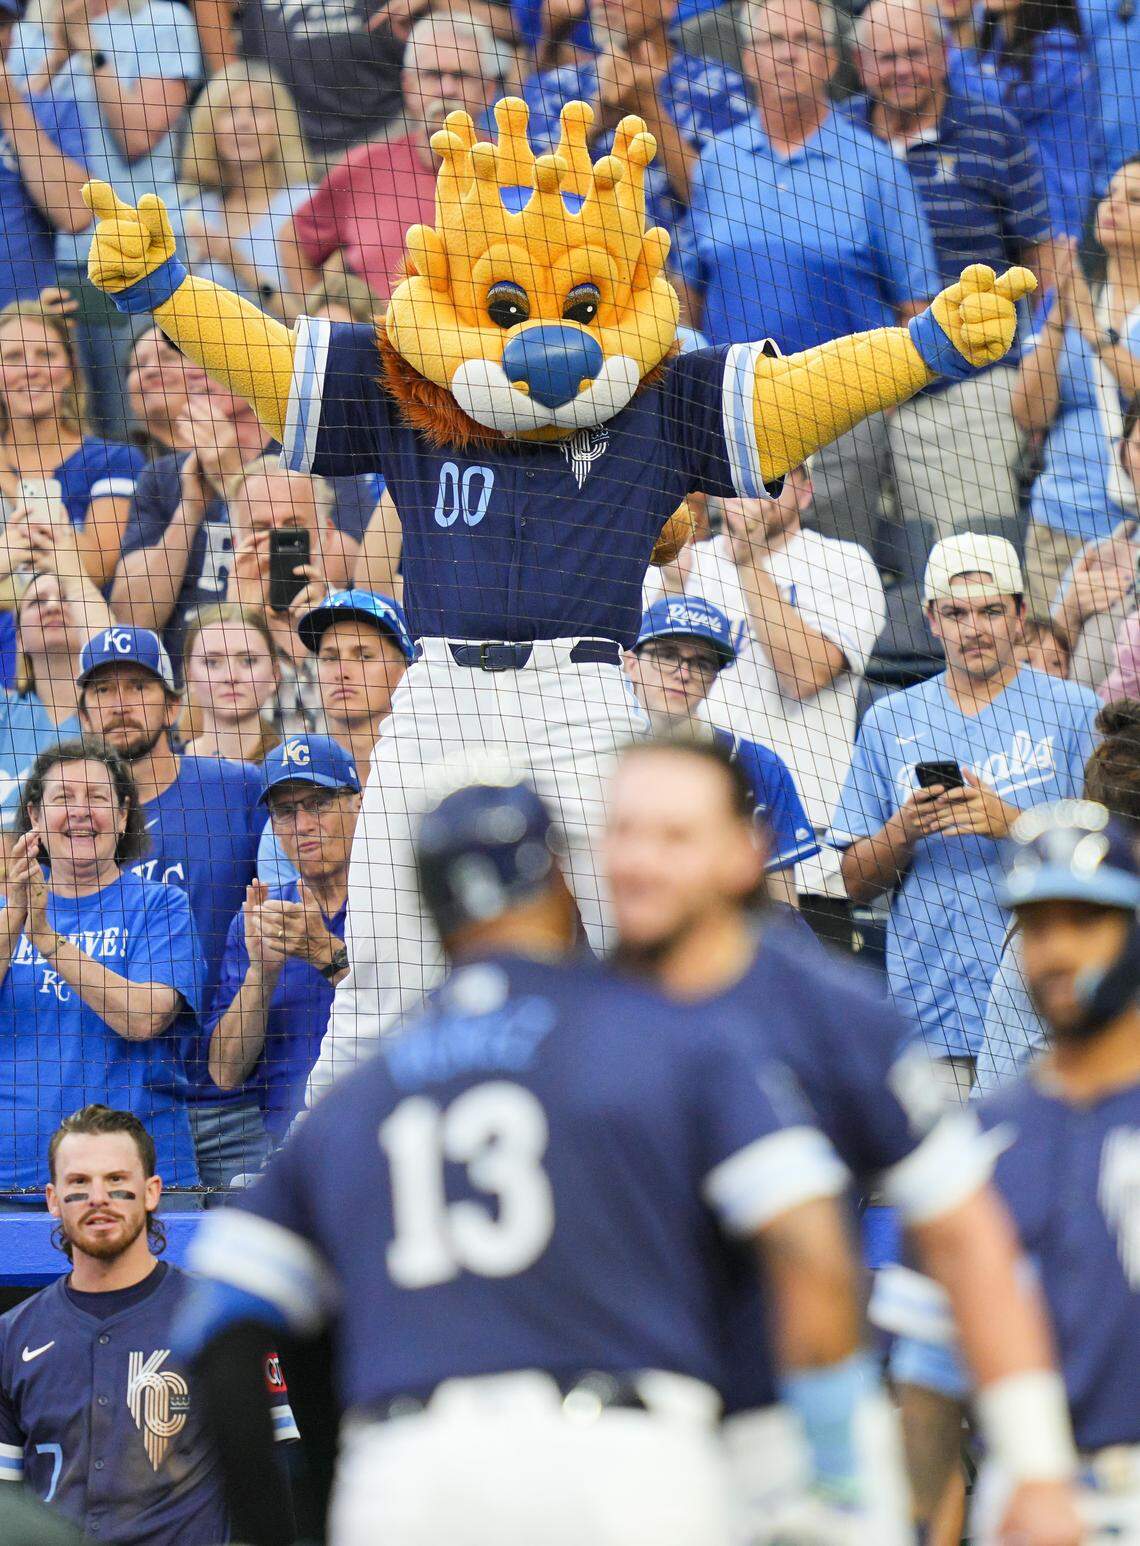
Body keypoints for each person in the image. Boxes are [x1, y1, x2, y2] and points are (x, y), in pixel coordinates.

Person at [77, 78, 1037, 1092]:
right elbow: (280, 366)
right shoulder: (408, 382)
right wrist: (167, 293)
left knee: (649, 934)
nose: (546, 334)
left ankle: (694, 1141)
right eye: (506, 302)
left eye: (579, 301)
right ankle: (339, 1182)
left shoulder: (658, 397)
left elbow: (799, 395)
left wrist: (921, 348)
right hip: (439, 686)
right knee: (389, 962)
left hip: (583, 687)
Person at [178, 774, 889, 1546]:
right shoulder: (660, 1041)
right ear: (558, 882)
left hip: (410, 1478)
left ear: (433, 914)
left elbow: (219, 1330)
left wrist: (299, 1522)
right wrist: (826, 1476)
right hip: (624, 1460)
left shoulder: (357, 1099)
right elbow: (810, 1247)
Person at [601, 732, 1084, 1546]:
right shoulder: (573, 1022)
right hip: (637, 1437)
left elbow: (969, 1241)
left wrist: (1035, 1459)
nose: (642, 862)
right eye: (625, 832)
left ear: (744, 852)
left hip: (801, 1441)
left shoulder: (843, 1022)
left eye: (675, 836)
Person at [880, 802, 1140, 1544]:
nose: (1057, 951)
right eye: (1037, 924)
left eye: (1085, 921)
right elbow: (929, 1392)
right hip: (1027, 1502)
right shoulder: (970, 1147)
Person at [832, 533, 1100, 1095]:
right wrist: (904, 828)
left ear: (1022, 615)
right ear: (931, 619)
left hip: (1047, 1014)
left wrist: (1012, 823)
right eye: (954, 613)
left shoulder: (1077, 710)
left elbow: (1113, 863)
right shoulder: (889, 719)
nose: (972, 629)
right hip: (928, 1011)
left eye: (991, 611)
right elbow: (855, 883)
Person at [681, 0, 941, 551]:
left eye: (803, 41)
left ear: (830, 60)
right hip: (730, 418)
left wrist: (877, 406)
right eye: (773, 41)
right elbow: (689, 291)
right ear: (749, 59)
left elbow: (917, 307)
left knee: (836, 583)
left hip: (843, 421)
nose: (787, 55)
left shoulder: (878, 169)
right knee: (727, 581)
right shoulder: (718, 163)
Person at [0, 1105, 297, 1541]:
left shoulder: (222, 1319)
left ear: (152, 1191)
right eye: (79, 1182)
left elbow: (270, 1483)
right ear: (52, 1200)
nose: (98, 1197)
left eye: (117, 1181)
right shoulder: (11, 1336)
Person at [851, 0, 1054, 541]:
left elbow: (1044, 256)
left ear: (944, 54)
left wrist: (1039, 359)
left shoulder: (993, 133)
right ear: (861, 64)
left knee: (970, 563)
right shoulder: (836, 135)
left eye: (915, 53)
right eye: (885, 57)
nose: (900, 69)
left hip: (966, 393)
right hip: (846, 390)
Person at [75, 625, 268, 1194]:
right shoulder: (65, 814)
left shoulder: (239, 789)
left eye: (138, 686)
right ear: (82, 713)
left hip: (226, 1097)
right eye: (104, 692)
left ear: (173, 704)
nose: (120, 705)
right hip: (107, 1105)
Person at [644, 462, 885, 908]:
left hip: (806, 847)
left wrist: (749, 562)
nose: (751, 493)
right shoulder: (681, 562)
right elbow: (640, 685)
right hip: (694, 841)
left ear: (806, 492)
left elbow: (805, 675)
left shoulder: (844, 564)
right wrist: (673, 586)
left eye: (772, 481)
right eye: (737, 480)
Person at [0, 745, 202, 1191]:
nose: (80, 812)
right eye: (63, 797)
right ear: (34, 816)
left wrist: (46, 937)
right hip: (14, 1179)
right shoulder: (6, 914)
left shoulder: (161, 905)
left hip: (140, 1179)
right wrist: (16, 915)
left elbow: (144, 1017)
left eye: (96, 797)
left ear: (125, 813)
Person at [8, 0, 203, 439]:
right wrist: (59, 54)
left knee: (162, 408)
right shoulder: (24, 36)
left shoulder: (163, 19)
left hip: (143, 254)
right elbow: (20, 126)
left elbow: (138, 134)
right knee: (92, 417)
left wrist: (90, 47)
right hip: (61, 255)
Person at [281, 13, 508, 307]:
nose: (447, 89)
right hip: (378, 347)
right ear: (408, 85)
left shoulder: (516, 168)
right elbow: (293, 239)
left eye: (461, 76)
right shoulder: (363, 168)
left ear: (488, 90)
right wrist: (325, 320)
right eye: (433, 75)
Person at [521, 0, 753, 268]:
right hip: (581, 281)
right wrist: (596, 123)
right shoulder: (556, 88)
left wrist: (648, 108)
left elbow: (729, 206)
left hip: (687, 287)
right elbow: (525, 201)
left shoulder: (719, 86)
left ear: (667, 5)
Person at [208, 736, 359, 1146]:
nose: (304, 825)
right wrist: (262, 975)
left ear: (357, 803)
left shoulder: (396, 904)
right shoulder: (261, 918)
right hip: (291, 1152)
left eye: (319, 803)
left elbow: (418, 1022)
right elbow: (225, 1072)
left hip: (384, 1138)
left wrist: (323, 953)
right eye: (286, 811)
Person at [626, 596, 818, 907]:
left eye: (702, 662)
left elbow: (784, 911)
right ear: (632, 663)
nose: (683, 673)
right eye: (666, 656)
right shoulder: (594, 754)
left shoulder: (758, 766)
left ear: (715, 676)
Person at [1014, 164, 1140, 618]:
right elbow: (1029, 414)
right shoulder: (1074, 296)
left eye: (1134, 199)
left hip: (1131, 534)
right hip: (1057, 523)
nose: (1113, 207)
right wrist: (1058, 318)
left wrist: (1090, 327)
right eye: (1109, 195)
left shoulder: (1089, 313)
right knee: (1051, 673)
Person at [257, 588, 413, 892]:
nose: (342, 672)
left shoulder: (430, 776)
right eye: (330, 658)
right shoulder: (291, 802)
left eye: (363, 656)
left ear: (405, 670)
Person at [110, 382, 270, 667]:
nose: (199, 372)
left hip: (276, 676)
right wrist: (190, 508)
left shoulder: (309, 458)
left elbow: (325, 579)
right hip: (181, 686)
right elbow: (132, 620)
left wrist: (233, 478)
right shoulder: (161, 476)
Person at [0, 300, 144, 588]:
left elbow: (96, 569)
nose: (30, 369)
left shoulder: (113, 459)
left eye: (46, 354)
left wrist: (10, 484)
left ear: (68, 370)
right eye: (14, 357)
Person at [178, 60, 315, 323]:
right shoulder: (194, 213)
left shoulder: (307, 204)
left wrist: (236, 263)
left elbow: (319, 330)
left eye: (256, 111)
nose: (242, 123)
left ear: (280, 125)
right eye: (229, 111)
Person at [0, 520, 115, 822]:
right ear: (20, 638)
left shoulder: (113, 715)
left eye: (65, 597)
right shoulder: (4, 711)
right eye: (37, 602)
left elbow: (113, 652)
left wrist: (76, 577)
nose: (52, 607)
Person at [966, 0, 1103, 241]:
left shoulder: (1061, 47)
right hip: (1008, 204)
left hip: (1057, 219)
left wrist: (949, 55)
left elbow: (1000, 103)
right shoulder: (995, 42)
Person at [0, 0, 90, 313]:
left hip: (26, 334)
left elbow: (76, 213)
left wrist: (11, 108)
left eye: (2, 24)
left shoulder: (53, 110)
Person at [180, 604, 281, 765]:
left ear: (275, 675)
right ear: (189, 676)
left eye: (248, 661)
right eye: (212, 662)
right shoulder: (162, 773)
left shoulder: (296, 775)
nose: (231, 676)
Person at [122, 324, 211, 462]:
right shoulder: (110, 457)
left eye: (168, 357)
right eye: (139, 365)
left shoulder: (247, 450)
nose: (151, 370)